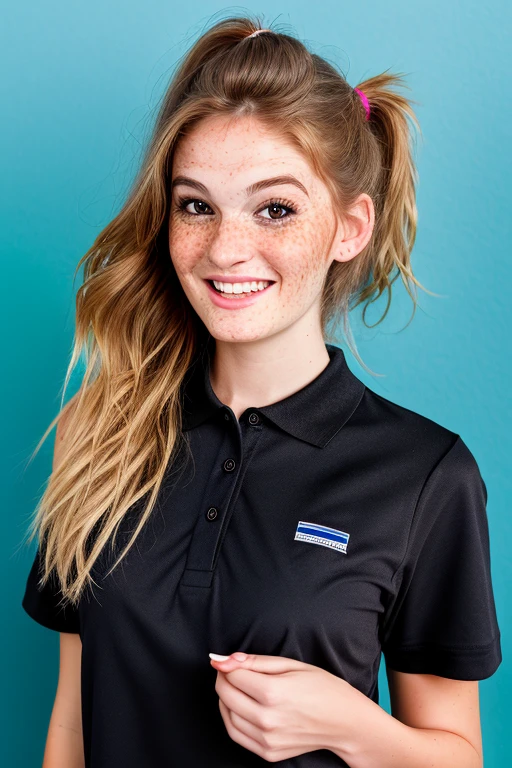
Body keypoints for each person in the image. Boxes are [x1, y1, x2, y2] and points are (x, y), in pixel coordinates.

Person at [21, 15, 501, 768]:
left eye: (274, 208)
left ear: (349, 227)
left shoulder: (425, 477)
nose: (224, 248)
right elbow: (72, 728)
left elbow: (459, 756)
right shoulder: (94, 432)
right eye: (196, 205)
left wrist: (349, 724)